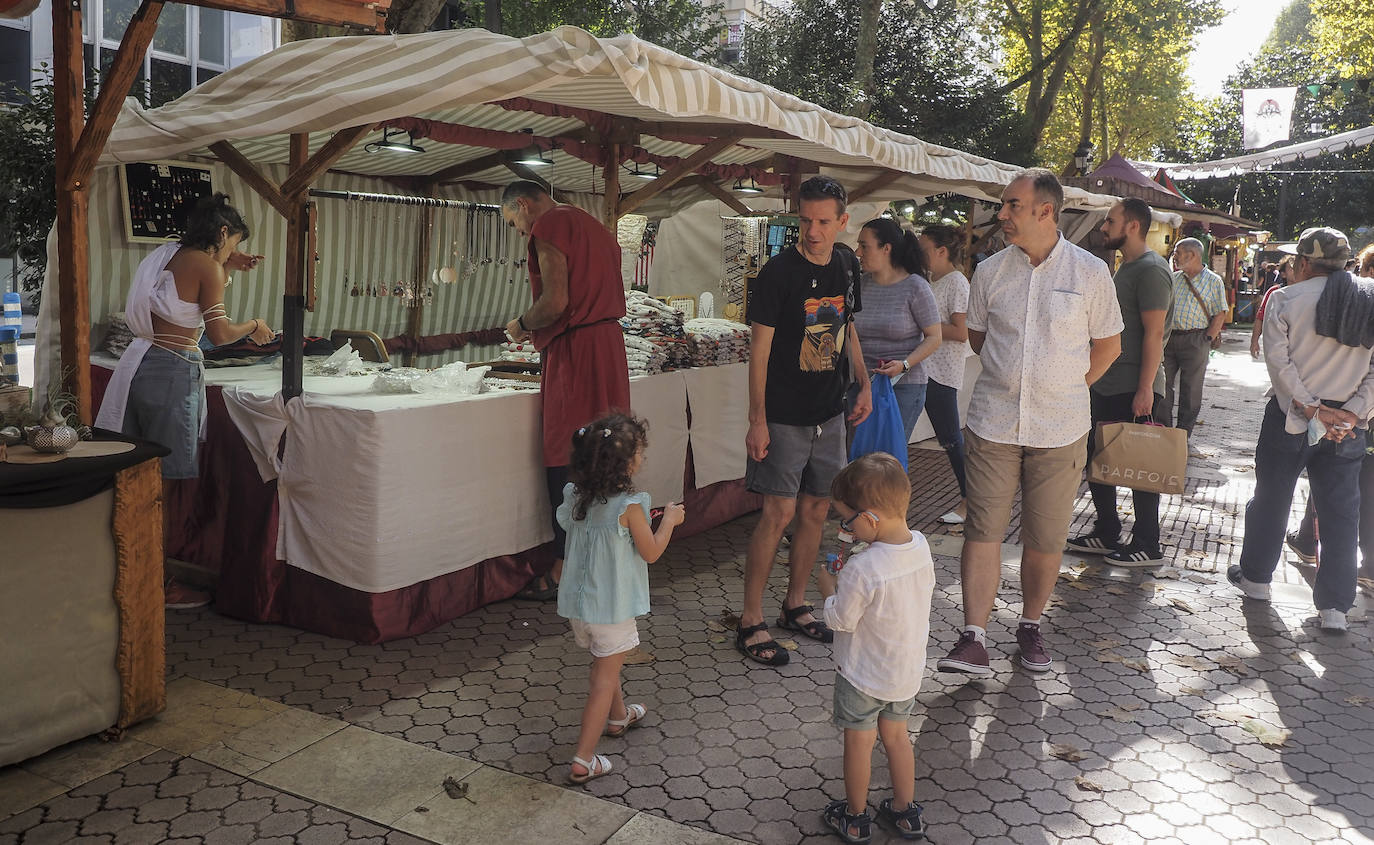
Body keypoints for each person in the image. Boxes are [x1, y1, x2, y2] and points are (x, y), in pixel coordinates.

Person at [935, 169, 1122, 677]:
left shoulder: (1089, 273)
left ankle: (1031, 626)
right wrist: (1014, 377)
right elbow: (977, 338)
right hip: (993, 423)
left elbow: (1109, 346)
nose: (1002, 215)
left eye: (1011, 206)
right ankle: (973, 637)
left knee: (1046, 539)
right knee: (983, 531)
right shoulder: (991, 271)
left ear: (1045, 210)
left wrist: (1066, 386)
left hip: (1061, 429)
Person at [95, 193, 274, 610]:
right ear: (223, 232)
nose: (235, 254)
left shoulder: (168, 255)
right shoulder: (206, 265)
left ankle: (126, 571)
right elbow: (220, 334)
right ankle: (155, 582)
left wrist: (228, 264)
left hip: (142, 365)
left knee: (138, 473)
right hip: (172, 371)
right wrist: (255, 325)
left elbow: (181, 295)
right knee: (166, 482)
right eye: (233, 244)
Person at [737, 175, 872, 668]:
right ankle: (751, 619)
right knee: (778, 513)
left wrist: (864, 381)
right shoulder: (779, 272)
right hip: (785, 413)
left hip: (830, 409)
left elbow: (847, 323)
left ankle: (795, 604)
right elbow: (760, 350)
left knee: (817, 509)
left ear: (842, 221)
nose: (812, 231)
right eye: (804, 220)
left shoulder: (847, 262)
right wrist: (758, 419)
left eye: (822, 222)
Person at [1230, 227, 1374, 633]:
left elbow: (1279, 364)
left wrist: (1313, 409)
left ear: (1305, 262)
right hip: (1348, 428)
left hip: (1291, 420)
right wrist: (1350, 413)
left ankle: (1256, 580)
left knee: (1272, 499)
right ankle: (1335, 609)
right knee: (1342, 514)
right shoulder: (1369, 300)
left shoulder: (1285, 299)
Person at [502, 181, 631, 602]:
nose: (521, 233)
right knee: (608, 451)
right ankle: (604, 559)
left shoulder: (551, 225)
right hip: (609, 346)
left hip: (577, 351)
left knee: (566, 452)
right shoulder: (594, 225)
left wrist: (521, 324)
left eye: (515, 224)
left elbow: (555, 302)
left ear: (523, 205)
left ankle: (561, 567)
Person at [556, 413, 686, 784]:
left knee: (605, 663)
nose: (642, 459)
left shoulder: (576, 496)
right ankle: (583, 759)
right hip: (610, 608)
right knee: (602, 676)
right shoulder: (630, 506)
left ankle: (618, 718)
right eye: (640, 453)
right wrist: (669, 522)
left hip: (579, 607)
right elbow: (651, 553)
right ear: (628, 463)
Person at [820, 453, 935, 843]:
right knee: (898, 738)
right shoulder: (920, 546)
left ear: (869, 519)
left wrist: (828, 592)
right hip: (905, 672)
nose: (843, 527)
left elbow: (842, 620)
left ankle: (854, 816)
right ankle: (905, 812)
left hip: (862, 675)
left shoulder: (862, 568)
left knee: (859, 743)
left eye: (846, 519)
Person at [1066, 198, 1173, 565]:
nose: (1103, 228)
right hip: (1106, 381)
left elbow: (1154, 334)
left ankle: (1148, 543)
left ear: (1132, 226)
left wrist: (1146, 389)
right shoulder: (1124, 268)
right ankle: (1107, 531)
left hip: (1134, 385)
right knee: (1099, 461)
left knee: (1142, 465)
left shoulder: (1151, 269)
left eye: (1110, 222)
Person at [851, 217, 941, 442]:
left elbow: (934, 337)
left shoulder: (916, 287)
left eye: (864, 246)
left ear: (886, 249)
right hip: (861, 384)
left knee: (887, 460)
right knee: (856, 459)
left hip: (903, 387)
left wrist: (905, 365)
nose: (858, 252)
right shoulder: (859, 285)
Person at [918, 224, 972, 525]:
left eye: (924, 249)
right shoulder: (930, 279)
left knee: (951, 438)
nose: (919, 255)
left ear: (942, 251)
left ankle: (970, 499)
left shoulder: (956, 283)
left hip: (940, 371)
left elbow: (962, 331)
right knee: (948, 437)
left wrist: (925, 330)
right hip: (923, 367)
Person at [1162, 237, 1228, 455]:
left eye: (1178, 253)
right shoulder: (1173, 278)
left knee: (1191, 390)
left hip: (1196, 340)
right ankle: (1164, 432)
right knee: (1163, 386)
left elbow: (1220, 312)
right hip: (1170, 338)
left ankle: (1183, 435)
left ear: (1192, 255)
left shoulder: (1213, 281)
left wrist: (1207, 338)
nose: (1175, 257)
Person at [1251, 256, 1294, 360]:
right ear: (1283, 273)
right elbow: (1261, 317)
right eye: (1291, 268)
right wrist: (1254, 341)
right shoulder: (1274, 293)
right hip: (1279, 345)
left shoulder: (1308, 292)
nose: (1295, 271)